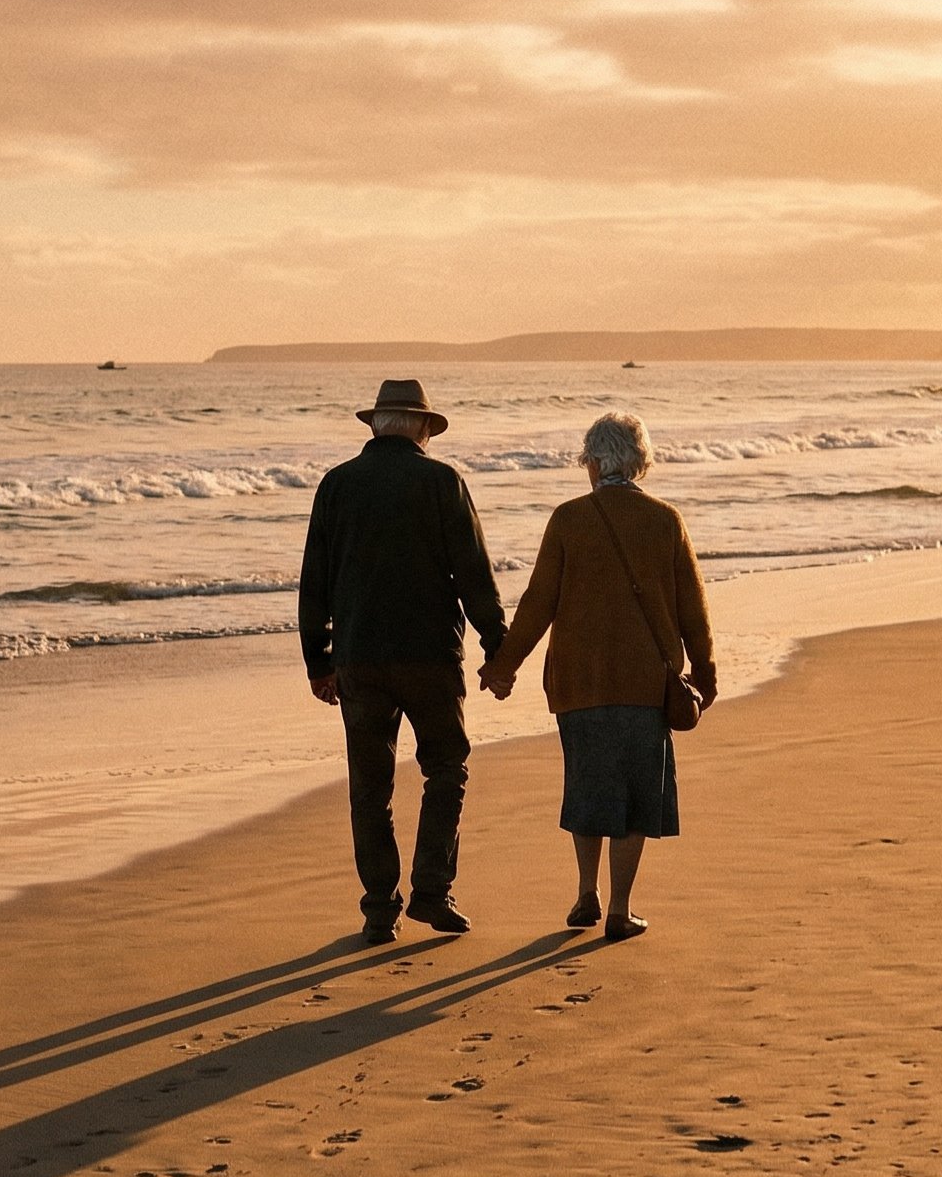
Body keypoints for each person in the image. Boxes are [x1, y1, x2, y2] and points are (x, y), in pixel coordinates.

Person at [478, 411, 714, 942]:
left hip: (578, 683)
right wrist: (706, 674)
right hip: (644, 685)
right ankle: (620, 910)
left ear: (592, 460)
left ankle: (587, 892)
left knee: (587, 789)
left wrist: (503, 667)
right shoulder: (665, 521)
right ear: (639, 462)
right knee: (634, 800)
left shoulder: (568, 519)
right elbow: (692, 610)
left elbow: (538, 603)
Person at [299, 379, 507, 945]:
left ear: (375, 425)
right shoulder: (443, 482)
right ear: (421, 427)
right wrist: (499, 649)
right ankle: (432, 891)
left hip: (359, 658)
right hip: (430, 657)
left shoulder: (336, 485)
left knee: (370, 787)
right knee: (445, 768)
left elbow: (314, 581)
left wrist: (317, 660)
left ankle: (378, 908)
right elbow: (473, 575)